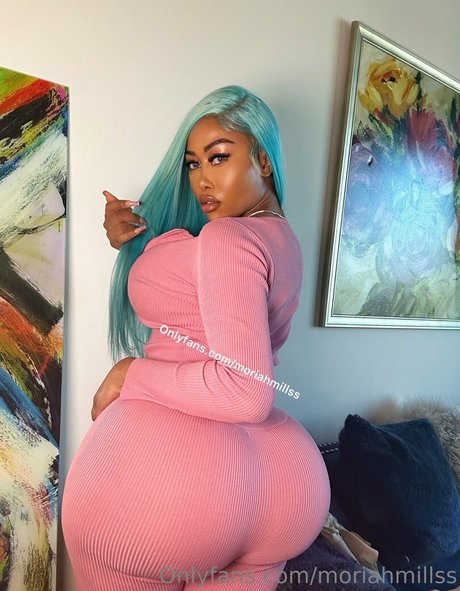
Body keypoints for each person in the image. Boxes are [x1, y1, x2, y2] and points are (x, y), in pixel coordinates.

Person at [61, 85, 331, 591]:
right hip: (285, 483)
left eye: (219, 157)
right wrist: (133, 240)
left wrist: (131, 372)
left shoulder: (227, 237)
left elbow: (246, 391)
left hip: (177, 493)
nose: (202, 180)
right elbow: (205, 295)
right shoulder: (281, 238)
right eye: (192, 164)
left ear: (264, 161)